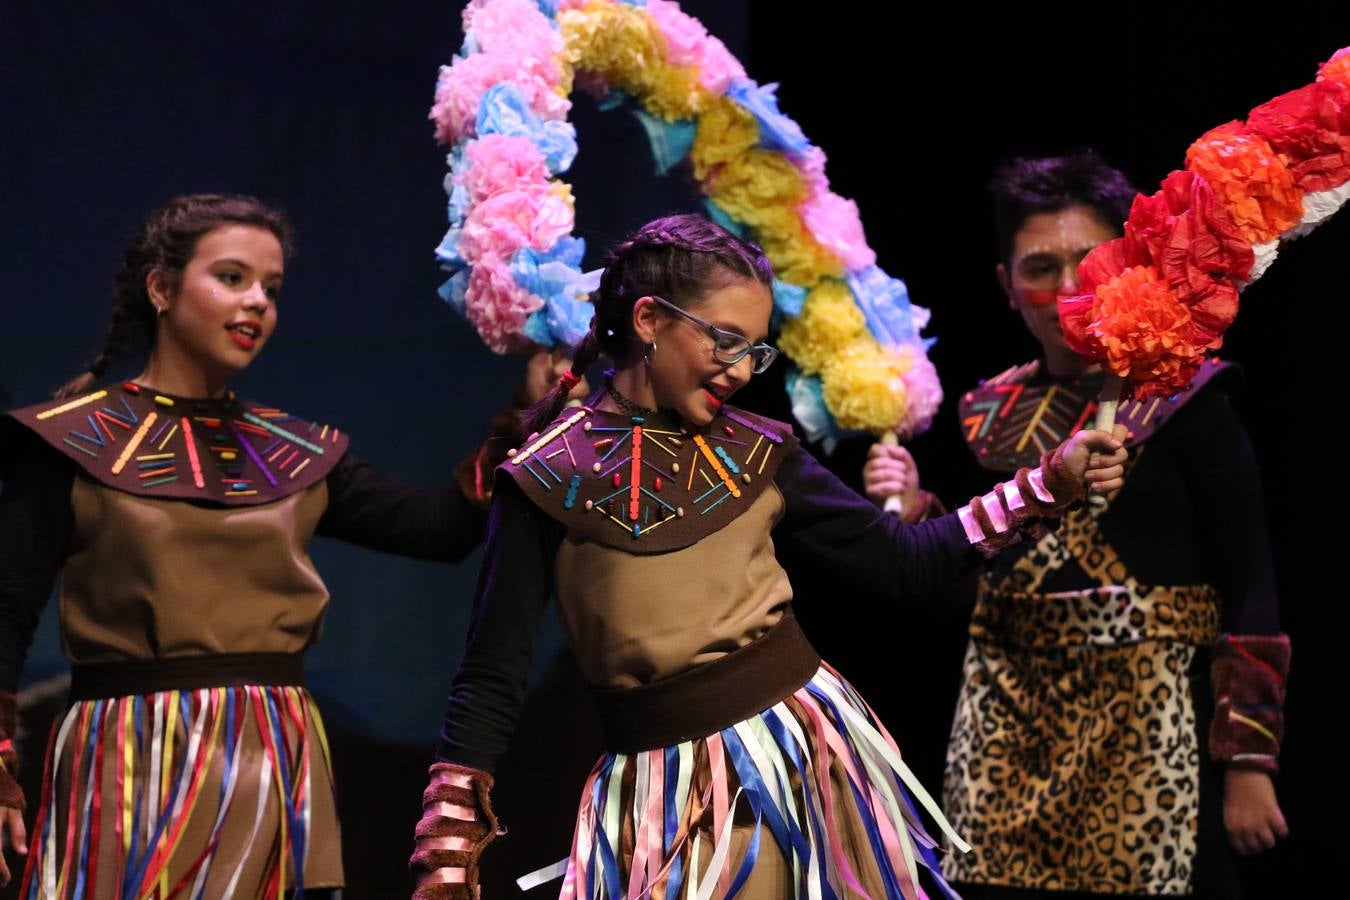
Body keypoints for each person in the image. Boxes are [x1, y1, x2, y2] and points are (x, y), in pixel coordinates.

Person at [408, 213, 1128, 900]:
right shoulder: (542, 479)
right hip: (668, 799)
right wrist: (446, 846)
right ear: (650, 320)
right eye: (724, 340)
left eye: (754, 349)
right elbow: (491, 675)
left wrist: (1047, 483)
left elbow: (904, 562)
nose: (741, 369)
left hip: (805, 762)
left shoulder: (758, 449)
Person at [0, 193, 574, 897]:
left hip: (269, 752)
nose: (258, 304)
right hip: (130, 754)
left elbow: (441, 531)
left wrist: (524, 413)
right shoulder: (72, 442)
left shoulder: (294, 453)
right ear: (161, 287)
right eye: (233, 277)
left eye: (271, 288)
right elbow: (7, 610)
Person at [864, 152, 1290, 897]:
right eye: (1040, 267)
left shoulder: (1186, 401)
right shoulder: (987, 415)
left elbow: (1250, 583)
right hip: (1007, 734)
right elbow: (975, 601)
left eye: (1090, 261)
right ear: (1005, 285)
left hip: (1154, 734)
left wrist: (1249, 761)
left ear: (1129, 266)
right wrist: (915, 515)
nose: (1068, 289)